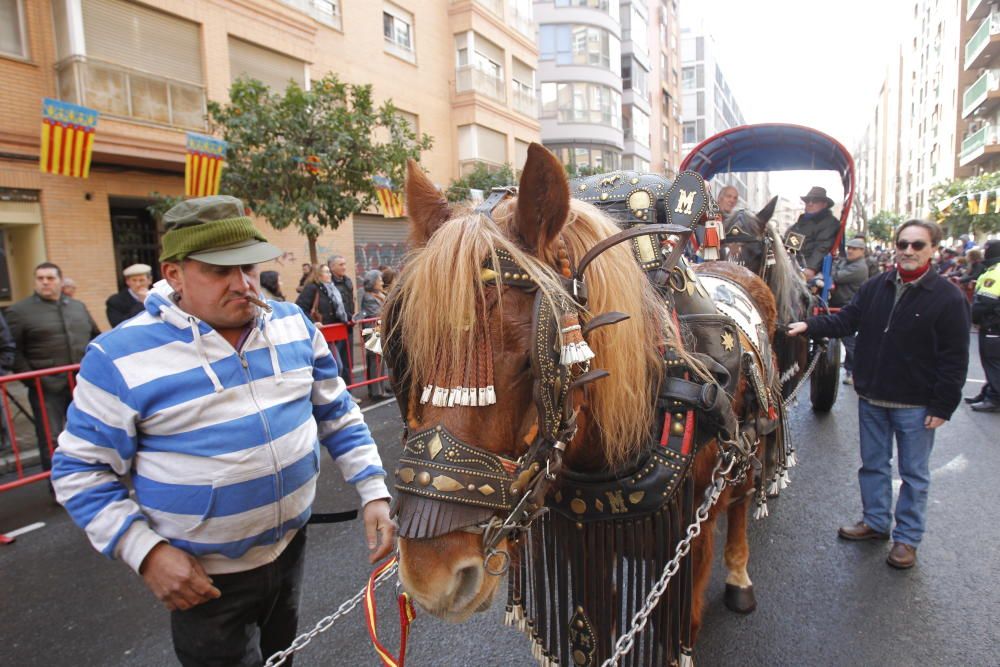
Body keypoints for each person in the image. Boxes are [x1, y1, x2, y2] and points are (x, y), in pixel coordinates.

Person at [51, 195, 394, 667]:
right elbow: (80, 471)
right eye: (219, 271)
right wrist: (146, 553)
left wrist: (373, 490)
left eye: (249, 268)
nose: (242, 284)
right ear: (173, 274)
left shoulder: (293, 325)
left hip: (289, 550)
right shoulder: (119, 356)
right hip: (201, 579)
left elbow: (337, 412)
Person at [787, 219, 970, 569]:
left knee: (914, 475)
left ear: (933, 249)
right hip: (873, 396)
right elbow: (847, 321)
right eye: (903, 244)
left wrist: (943, 405)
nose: (909, 251)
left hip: (916, 405)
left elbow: (954, 358)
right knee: (873, 466)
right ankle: (875, 522)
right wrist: (808, 325)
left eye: (918, 245)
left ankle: (907, 540)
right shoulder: (876, 286)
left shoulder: (948, 298)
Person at [6, 262, 100, 471]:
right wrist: (32, 379)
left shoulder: (77, 306)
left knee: (88, 431)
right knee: (51, 437)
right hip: (46, 387)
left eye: (50, 278)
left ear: (60, 280)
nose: (45, 282)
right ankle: (57, 482)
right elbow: (14, 350)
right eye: (40, 278)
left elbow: (95, 336)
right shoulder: (19, 311)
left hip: (81, 381)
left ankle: (92, 474)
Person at [829, 238, 869, 386]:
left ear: (862, 251)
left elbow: (835, 276)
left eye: (854, 248)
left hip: (849, 306)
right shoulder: (846, 261)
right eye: (849, 247)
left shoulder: (859, 267)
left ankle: (854, 372)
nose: (850, 250)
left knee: (849, 341)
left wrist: (830, 267)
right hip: (837, 303)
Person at [968, 239, 1000, 412]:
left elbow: (985, 302)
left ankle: (994, 398)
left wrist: (972, 317)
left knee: (993, 362)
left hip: (993, 325)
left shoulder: (995, 272)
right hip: (993, 324)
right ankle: (989, 392)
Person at [785, 186, 841, 279]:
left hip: (811, 269)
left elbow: (822, 247)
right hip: (794, 266)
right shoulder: (801, 223)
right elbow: (792, 247)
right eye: (807, 201)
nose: (810, 203)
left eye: (815, 201)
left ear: (824, 204)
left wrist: (811, 268)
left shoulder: (829, 222)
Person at [356, 270, 390, 400]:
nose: (382, 282)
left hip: (378, 331)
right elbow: (378, 314)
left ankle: (379, 388)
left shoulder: (378, 295)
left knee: (379, 362)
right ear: (373, 283)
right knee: (375, 362)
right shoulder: (369, 297)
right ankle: (377, 392)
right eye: (379, 280)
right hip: (373, 333)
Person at [328, 255, 355, 386]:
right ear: (332, 267)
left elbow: (350, 301)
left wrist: (352, 316)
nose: (344, 267)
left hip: (348, 326)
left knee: (348, 362)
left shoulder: (347, 281)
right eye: (341, 265)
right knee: (338, 363)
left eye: (344, 264)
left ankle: (349, 390)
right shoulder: (329, 284)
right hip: (336, 327)